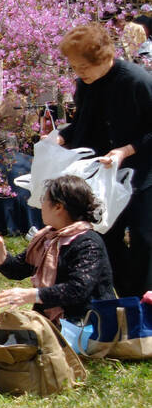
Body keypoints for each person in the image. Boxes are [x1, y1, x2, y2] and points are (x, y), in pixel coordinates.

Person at [55, 22, 152, 297]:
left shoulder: (137, 81)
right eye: (74, 67)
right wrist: (60, 138)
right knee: (106, 235)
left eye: (83, 67)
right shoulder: (86, 85)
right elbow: (83, 125)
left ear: (104, 58)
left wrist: (126, 150)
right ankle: (126, 295)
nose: (78, 73)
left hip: (143, 172)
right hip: (105, 176)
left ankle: (145, 299)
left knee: (145, 238)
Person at [0, 175, 116, 322]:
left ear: (58, 207)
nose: (40, 205)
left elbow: (77, 290)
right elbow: (18, 270)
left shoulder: (88, 242)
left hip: (88, 327)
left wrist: (31, 295)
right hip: (52, 323)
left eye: (44, 200)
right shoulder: (48, 238)